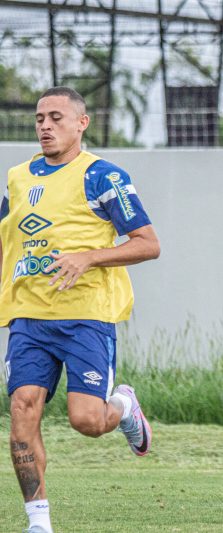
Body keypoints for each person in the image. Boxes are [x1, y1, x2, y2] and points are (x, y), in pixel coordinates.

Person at [2, 87, 161, 533]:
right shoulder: (18, 178)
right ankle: (38, 523)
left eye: (56, 117)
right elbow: (6, 242)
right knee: (22, 409)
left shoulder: (104, 177)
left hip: (86, 316)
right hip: (30, 318)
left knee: (87, 421)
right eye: (39, 119)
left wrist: (87, 256)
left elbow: (148, 244)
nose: (45, 126)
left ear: (81, 123)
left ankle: (124, 407)